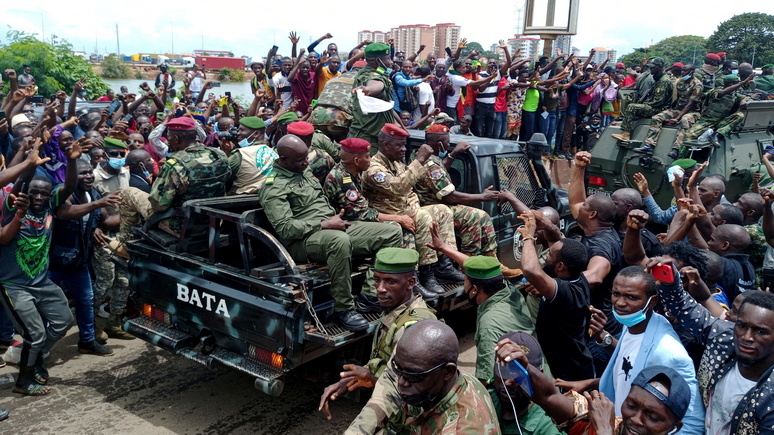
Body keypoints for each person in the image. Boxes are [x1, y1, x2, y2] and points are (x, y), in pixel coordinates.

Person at [259, 134, 403, 331]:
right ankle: (344, 308)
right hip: (303, 241)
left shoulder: (303, 171)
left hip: (333, 226)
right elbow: (286, 229)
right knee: (339, 241)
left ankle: (369, 296)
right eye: (301, 160)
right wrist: (323, 223)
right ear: (283, 160)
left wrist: (332, 222)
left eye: (306, 157)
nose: (306, 162)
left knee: (392, 232)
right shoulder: (273, 186)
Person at [571, 266, 706, 434]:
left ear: (653, 301)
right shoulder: (634, 324)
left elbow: (693, 424)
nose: (620, 303)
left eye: (631, 297)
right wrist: (590, 380)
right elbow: (630, 363)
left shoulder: (669, 354)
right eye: (616, 294)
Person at [655, 260, 774, 434]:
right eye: (741, 326)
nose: (747, 337)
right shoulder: (723, 337)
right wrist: (669, 279)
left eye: (761, 332)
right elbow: (682, 306)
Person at [319, 248, 436, 424]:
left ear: (411, 282)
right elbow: (386, 359)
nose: (380, 289)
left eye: (390, 282)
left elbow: (401, 387)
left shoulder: (412, 329)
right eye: (377, 280)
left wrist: (371, 379)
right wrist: (349, 381)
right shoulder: (396, 309)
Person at [0, 138, 79, 396]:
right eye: (35, 192)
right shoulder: (14, 205)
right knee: (33, 333)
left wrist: (73, 160)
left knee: (63, 321)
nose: (39, 196)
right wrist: (31, 164)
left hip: (41, 282)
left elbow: (68, 186)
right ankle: (23, 381)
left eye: (44, 193)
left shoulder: (50, 207)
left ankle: (36, 358)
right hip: (14, 285)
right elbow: (22, 183)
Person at [498, 331, 691, 435]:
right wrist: (525, 367)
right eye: (631, 405)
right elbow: (549, 396)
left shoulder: (603, 426)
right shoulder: (605, 420)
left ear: (675, 427)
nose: (635, 419)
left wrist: (603, 431)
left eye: (653, 417)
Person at [347, 319, 500, 434]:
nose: (401, 382)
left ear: (447, 372)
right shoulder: (441, 384)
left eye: (413, 376)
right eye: (397, 369)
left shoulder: (462, 429)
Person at [361, 124, 462, 296]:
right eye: (399, 145)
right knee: (422, 216)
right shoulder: (373, 168)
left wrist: (413, 208)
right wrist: (419, 160)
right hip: (386, 216)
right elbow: (398, 187)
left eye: (404, 145)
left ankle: (444, 266)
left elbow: (410, 192)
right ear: (385, 145)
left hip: (405, 211)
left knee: (443, 210)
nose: (404, 149)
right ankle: (421, 275)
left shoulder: (398, 164)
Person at [118, 116, 231, 246]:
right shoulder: (219, 155)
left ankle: (125, 245)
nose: (168, 141)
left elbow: (158, 204)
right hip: (214, 221)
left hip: (183, 226)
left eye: (169, 138)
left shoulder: (176, 164)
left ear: (177, 139)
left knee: (128, 193)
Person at [49, 159, 120, 357]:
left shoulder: (93, 193)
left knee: (85, 301)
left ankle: (87, 341)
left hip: (79, 262)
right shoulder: (62, 194)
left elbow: (106, 221)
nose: (88, 176)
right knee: (46, 306)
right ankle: (38, 350)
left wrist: (135, 212)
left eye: (90, 172)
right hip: (54, 263)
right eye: (82, 173)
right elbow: (64, 213)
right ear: (70, 176)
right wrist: (97, 204)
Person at [518, 210, 594, 381]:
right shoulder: (573, 274)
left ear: (560, 266)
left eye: (549, 255)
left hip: (571, 371)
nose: (545, 257)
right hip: (566, 362)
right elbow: (554, 238)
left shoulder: (568, 292)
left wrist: (528, 237)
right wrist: (542, 221)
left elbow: (531, 270)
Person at [91, 137, 135, 340]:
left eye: (122, 154)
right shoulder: (94, 177)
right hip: (104, 235)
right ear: (106, 155)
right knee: (105, 282)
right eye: (114, 154)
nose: (118, 158)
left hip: (124, 233)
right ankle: (89, 326)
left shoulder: (126, 171)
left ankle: (114, 322)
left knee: (124, 281)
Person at [488, 332, 564, 435]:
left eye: (518, 376)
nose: (507, 382)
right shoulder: (485, 397)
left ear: (537, 376)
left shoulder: (546, 427)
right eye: (503, 372)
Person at [634, 63, 704, 158]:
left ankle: (676, 148)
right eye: (682, 70)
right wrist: (669, 112)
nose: (682, 72)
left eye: (685, 71)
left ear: (692, 71)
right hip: (678, 109)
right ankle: (649, 145)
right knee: (656, 118)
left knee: (684, 120)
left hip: (692, 111)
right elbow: (678, 98)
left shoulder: (697, 85)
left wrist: (677, 118)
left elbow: (690, 104)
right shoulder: (681, 82)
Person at [612, 58, 674, 143]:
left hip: (660, 108)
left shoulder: (664, 81)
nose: (650, 69)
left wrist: (644, 104)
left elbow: (658, 101)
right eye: (650, 67)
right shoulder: (658, 79)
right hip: (654, 106)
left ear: (660, 67)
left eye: (653, 67)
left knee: (632, 107)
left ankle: (626, 134)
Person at [348, 43, 396, 150]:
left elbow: (387, 105)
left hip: (372, 136)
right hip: (367, 140)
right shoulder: (370, 76)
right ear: (379, 61)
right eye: (388, 58)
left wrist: (400, 126)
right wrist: (368, 90)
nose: (391, 62)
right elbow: (376, 84)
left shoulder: (376, 73)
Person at [226, 116, 276, 194]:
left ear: (256, 134)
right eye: (238, 130)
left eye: (242, 130)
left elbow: (225, 181)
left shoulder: (239, 156)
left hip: (240, 202)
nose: (238, 133)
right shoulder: (274, 152)